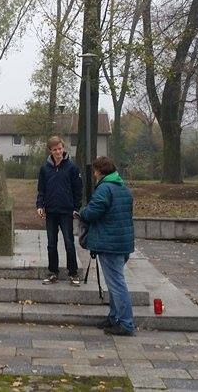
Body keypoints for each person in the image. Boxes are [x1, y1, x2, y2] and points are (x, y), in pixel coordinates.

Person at [79, 156, 136, 336]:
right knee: (114, 283)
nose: (94, 174)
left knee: (117, 284)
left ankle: (126, 323)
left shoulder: (105, 189)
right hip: (122, 242)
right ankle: (114, 317)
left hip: (110, 244)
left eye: (95, 171)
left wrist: (82, 213)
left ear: (99, 171)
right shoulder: (123, 188)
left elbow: (93, 212)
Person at [36, 136, 83, 286]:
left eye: (60, 148)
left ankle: (73, 273)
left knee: (69, 242)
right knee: (51, 243)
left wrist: (76, 208)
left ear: (63, 148)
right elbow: (41, 190)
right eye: (55, 149)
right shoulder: (45, 168)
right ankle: (53, 273)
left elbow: (78, 190)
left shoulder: (72, 167)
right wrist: (39, 205)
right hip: (51, 211)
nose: (58, 152)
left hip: (66, 212)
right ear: (50, 151)